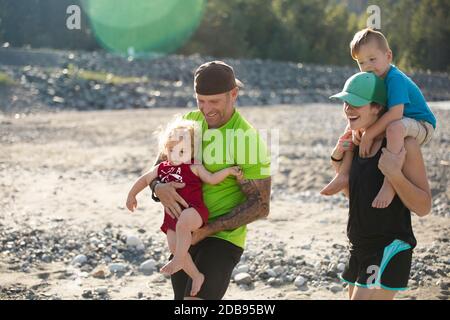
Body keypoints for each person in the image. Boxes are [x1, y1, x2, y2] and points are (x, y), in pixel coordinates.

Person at [149, 61, 272, 300]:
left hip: (222, 238)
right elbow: (158, 168)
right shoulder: (188, 123)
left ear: (233, 94)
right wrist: (158, 188)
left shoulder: (247, 139)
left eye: (214, 101)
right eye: (201, 100)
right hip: (184, 233)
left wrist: (208, 229)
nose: (206, 110)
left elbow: (261, 206)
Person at [327, 72, 431, 300]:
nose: (348, 109)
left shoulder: (405, 144)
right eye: (346, 102)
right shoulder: (356, 142)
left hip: (389, 245)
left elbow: (424, 207)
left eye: (356, 103)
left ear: (376, 107)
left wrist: (394, 175)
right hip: (358, 245)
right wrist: (337, 158)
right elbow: (352, 195)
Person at [321, 28, 436, 210]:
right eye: (361, 62)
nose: (367, 67)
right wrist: (344, 150)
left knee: (394, 129)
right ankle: (343, 174)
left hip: (421, 123)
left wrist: (369, 135)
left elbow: (395, 115)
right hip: (400, 121)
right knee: (351, 128)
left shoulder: (394, 78)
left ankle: (389, 184)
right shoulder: (375, 79)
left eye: (372, 59)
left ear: (388, 56)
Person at [125, 119, 243, 296]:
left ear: (192, 151)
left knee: (183, 225)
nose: (175, 155)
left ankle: (179, 259)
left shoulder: (194, 166)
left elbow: (211, 178)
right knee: (174, 246)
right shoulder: (161, 168)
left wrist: (227, 171)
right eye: (171, 150)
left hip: (194, 211)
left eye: (182, 151)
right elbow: (144, 179)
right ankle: (196, 276)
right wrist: (131, 195)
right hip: (172, 216)